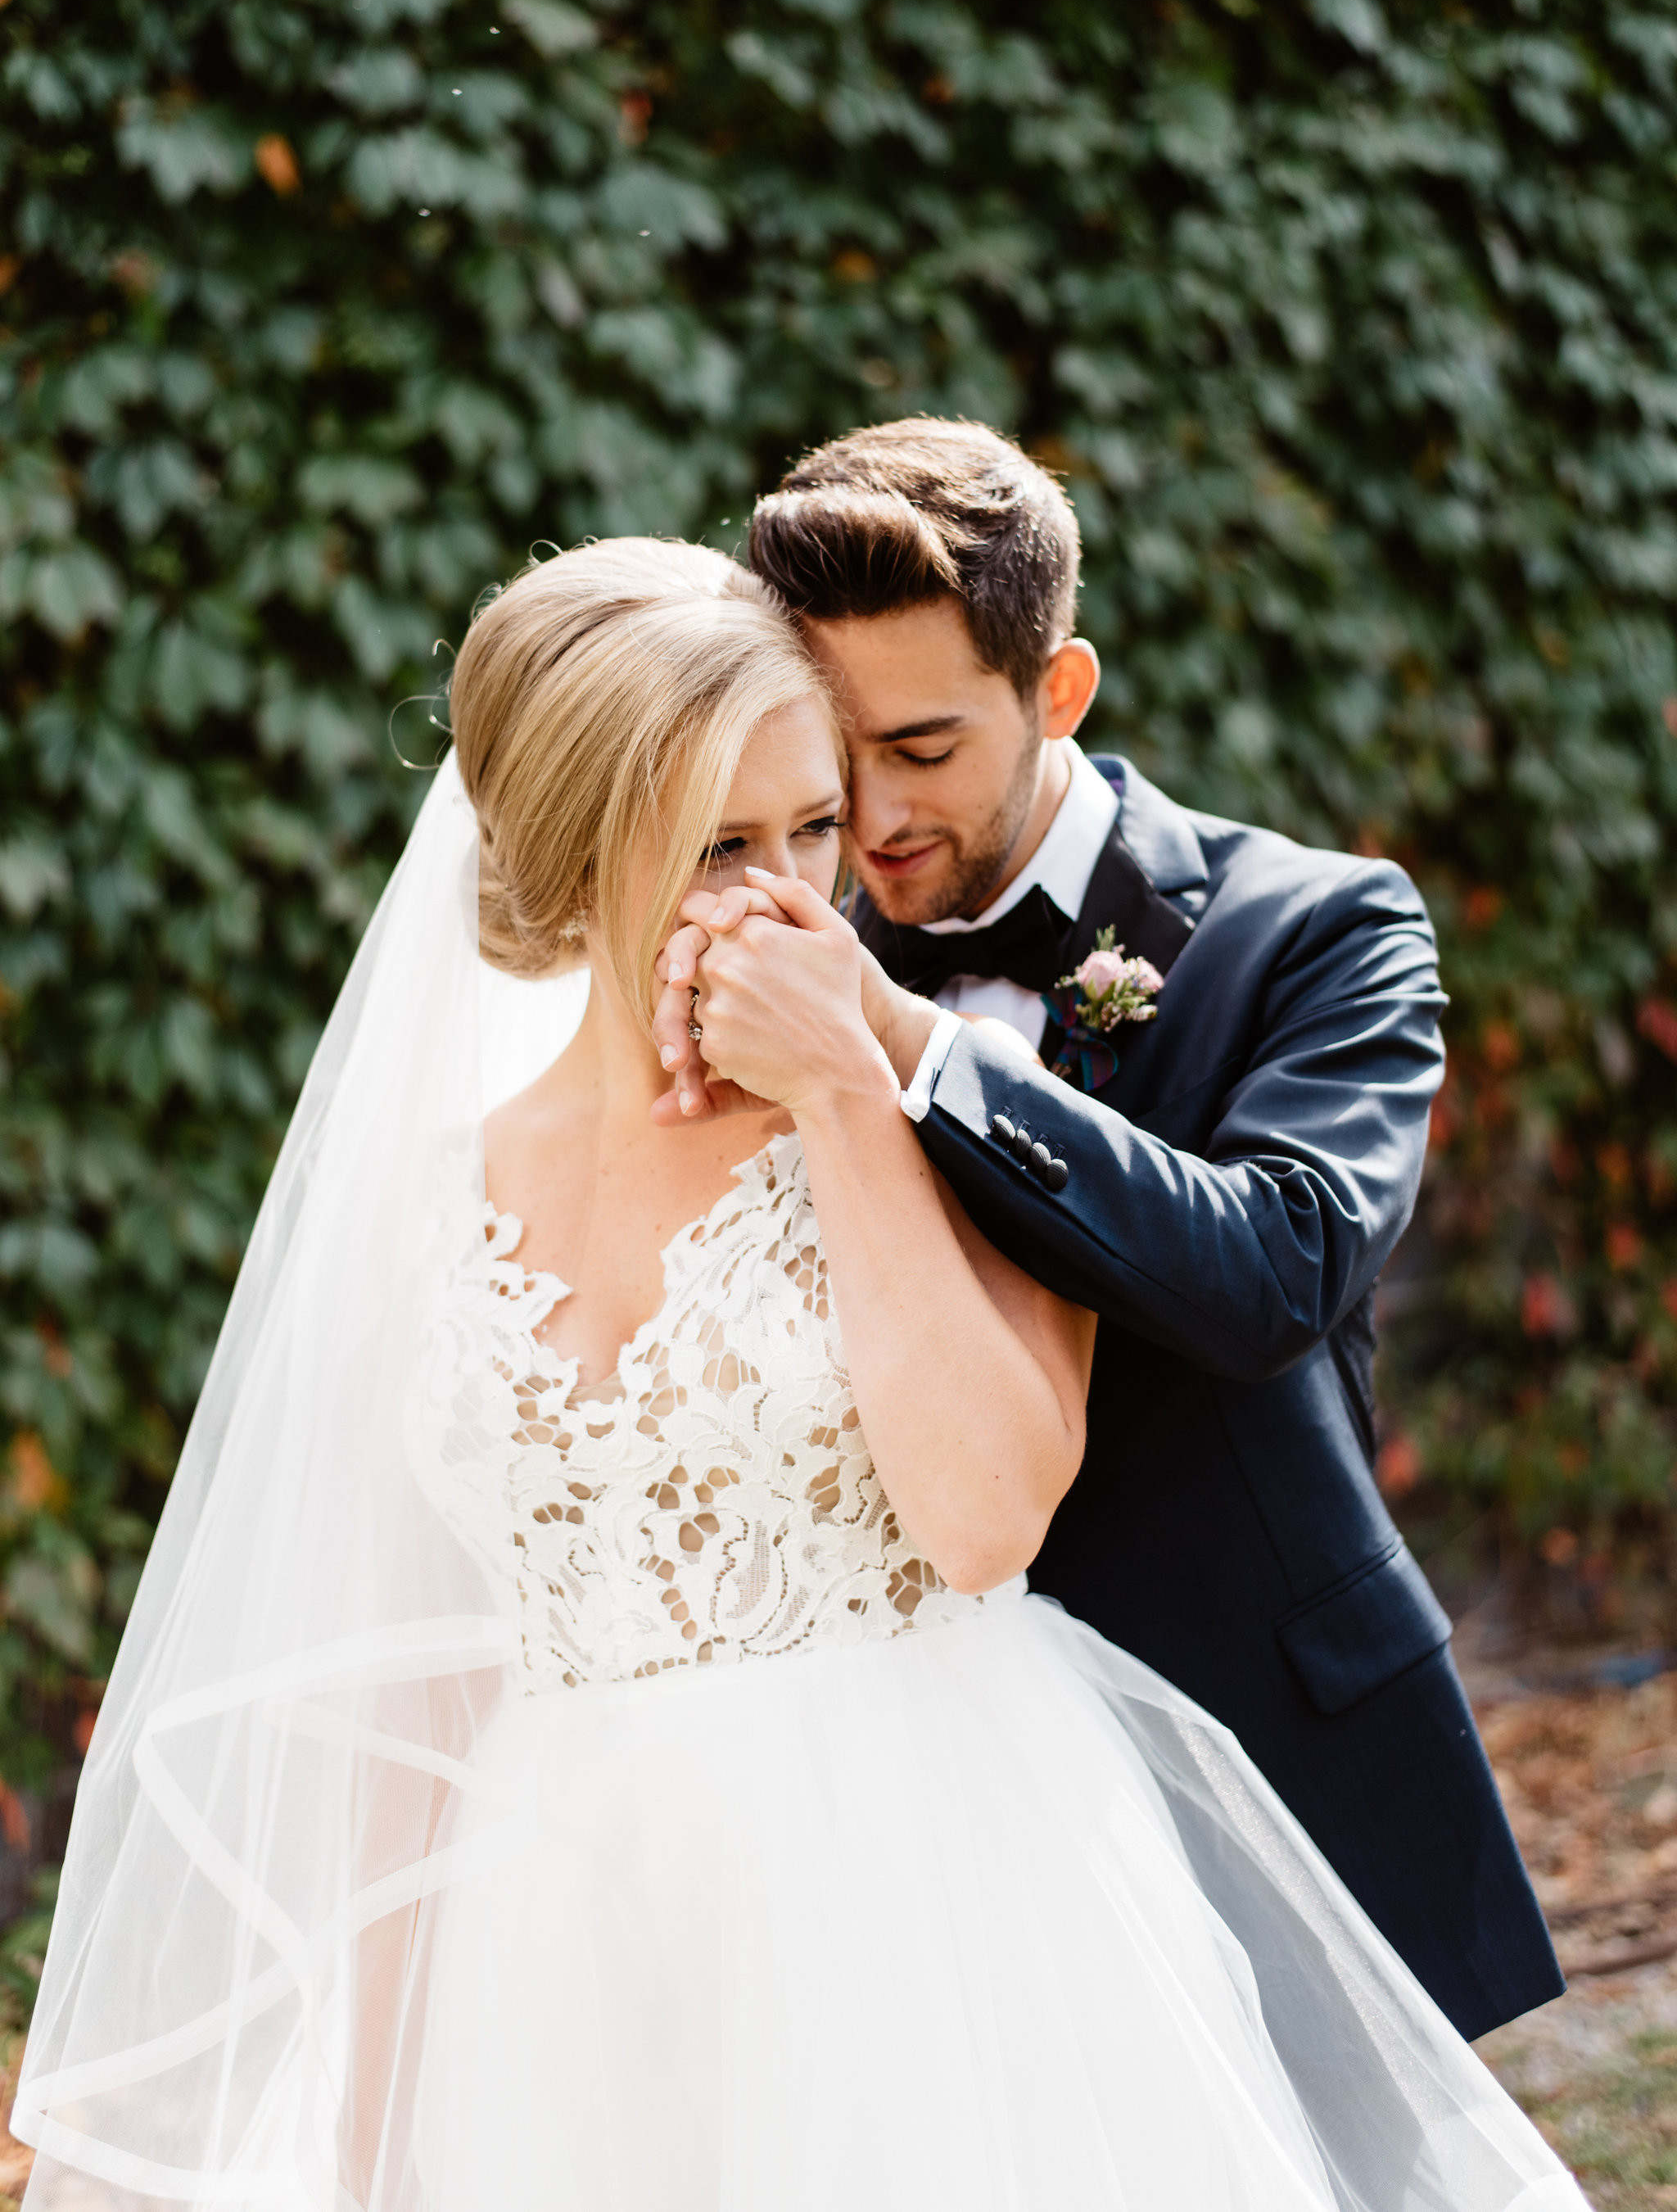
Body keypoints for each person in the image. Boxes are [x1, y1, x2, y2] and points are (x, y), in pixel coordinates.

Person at [14, 540, 1581, 2212]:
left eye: (811, 831)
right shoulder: (428, 1185)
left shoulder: (945, 1100)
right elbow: (414, 1706)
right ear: (576, 857)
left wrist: (846, 1097)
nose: (790, 896)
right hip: (554, 1953)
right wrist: (372, 2127)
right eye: (720, 847)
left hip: (917, 1889)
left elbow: (985, 1516)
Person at [651, 417, 1562, 2046]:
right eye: (829, 746)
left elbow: (1274, 1269)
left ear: (1056, 694)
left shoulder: (1322, 929)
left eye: (922, 748)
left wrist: (912, 1052)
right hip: (920, 1799)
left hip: (1271, 1756)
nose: (864, 817)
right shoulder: (767, 954)